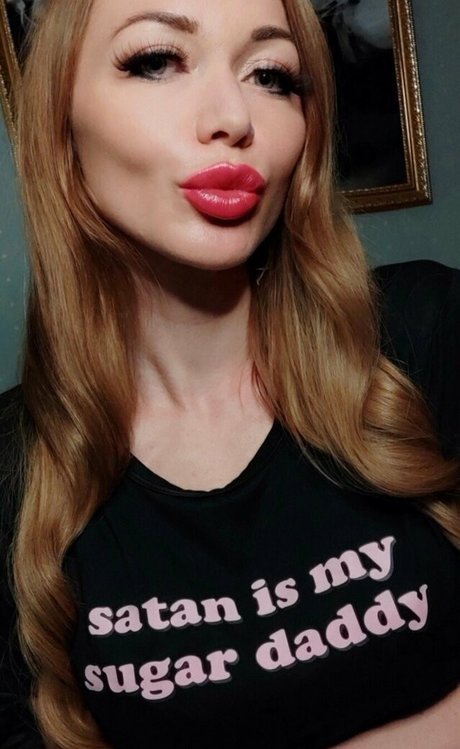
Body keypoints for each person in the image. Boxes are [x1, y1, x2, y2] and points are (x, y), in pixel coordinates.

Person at [0, 0, 459, 747]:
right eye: (156, 60)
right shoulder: (10, 473)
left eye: (272, 75)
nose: (233, 117)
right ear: (60, 122)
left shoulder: (429, 333)